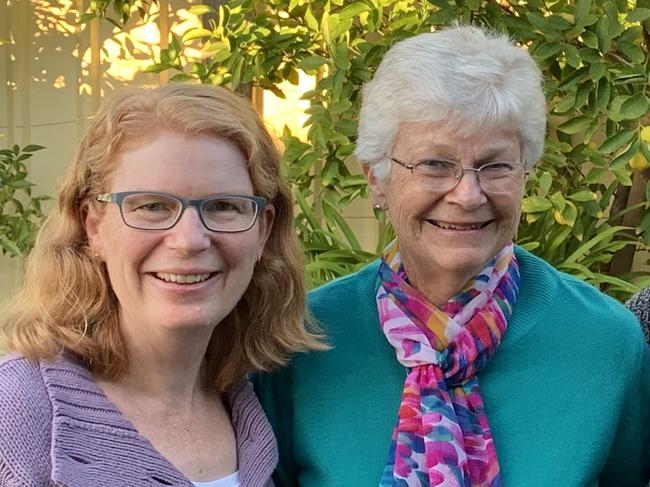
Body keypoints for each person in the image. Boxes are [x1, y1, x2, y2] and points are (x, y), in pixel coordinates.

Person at [254, 26, 650, 486]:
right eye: (434, 164)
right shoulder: (302, 339)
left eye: (496, 165)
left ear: (527, 173)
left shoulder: (604, 342)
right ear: (377, 179)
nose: (467, 194)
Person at [0, 83, 323, 487]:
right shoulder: (15, 411)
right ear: (94, 226)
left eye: (223, 206)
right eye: (152, 206)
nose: (189, 240)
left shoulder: (251, 407)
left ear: (262, 230)